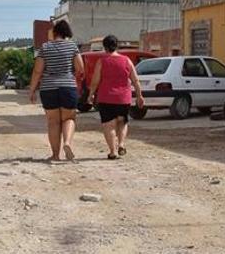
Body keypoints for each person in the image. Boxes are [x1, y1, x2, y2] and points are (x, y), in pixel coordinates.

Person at [29, 20, 84, 162]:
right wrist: (73, 77)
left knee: (53, 122)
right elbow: (80, 68)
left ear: (55, 32)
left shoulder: (45, 47)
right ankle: (67, 143)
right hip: (68, 87)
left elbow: (37, 71)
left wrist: (32, 90)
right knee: (69, 118)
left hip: (49, 88)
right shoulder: (72, 46)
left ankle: (55, 155)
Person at [87, 35, 144, 160]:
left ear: (104, 46)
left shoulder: (102, 61)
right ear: (116, 45)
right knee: (122, 122)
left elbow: (95, 80)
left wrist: (91, 94)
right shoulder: (126, 60)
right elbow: (135, 80)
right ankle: (122, 144)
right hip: (123, 98)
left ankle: (113, 151)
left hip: (106, 98)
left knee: (109, 125)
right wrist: (139, 95)